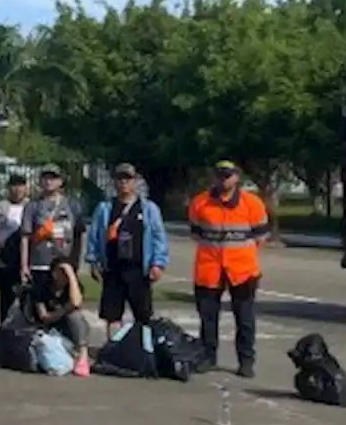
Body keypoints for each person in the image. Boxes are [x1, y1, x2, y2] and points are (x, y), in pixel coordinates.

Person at [189, 159, 270, 377]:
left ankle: (246, 361)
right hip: (209, 269)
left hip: (242, 271)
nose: (223, 179)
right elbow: (196, 233)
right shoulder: (200, 203)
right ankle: (208, 356)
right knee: (208, 318)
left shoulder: (252, 203)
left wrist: (238, 252)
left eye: (228, 175)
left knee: (244, 319)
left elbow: (261, 236)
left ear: (237, 177)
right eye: (220, 175)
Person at [86, 163, 170, 339]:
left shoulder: (148, 208)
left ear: (135, 181)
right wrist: (93, 260)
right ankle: (113, 348)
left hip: (139, 269)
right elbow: (94, 235)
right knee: (112, 314)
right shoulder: (104, 209)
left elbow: (159, 237)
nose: (124, 182)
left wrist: (158, 263)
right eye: (120, 178)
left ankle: (144, 348)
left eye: (128, 178)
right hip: (113, 268)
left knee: (143, 314)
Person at [18, 165, 85, 308]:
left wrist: (75, 262)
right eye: (45, 178)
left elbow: (79, 235)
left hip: (63, 264)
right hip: (39, 263)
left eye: (53, 178)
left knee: (65, 303)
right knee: (40, 304)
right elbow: (25, 236)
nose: (49, 181)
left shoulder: (72, 205)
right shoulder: (32, 206)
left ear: (60, 181)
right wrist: (24, 265)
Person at [32, 258, 91, 377]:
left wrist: (71, 276)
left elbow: (76, 302)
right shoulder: (42, 287)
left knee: (75, 316)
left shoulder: (74, 288)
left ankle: (83, 354)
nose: (64, 276)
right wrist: (63, 311)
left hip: (68, 327)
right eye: (61, 271)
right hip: (47, 327)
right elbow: (44, 316)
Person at [0, 173, 29, 320]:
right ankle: (5, 327)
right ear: (8, 188)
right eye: (14, 186)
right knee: (7, 296)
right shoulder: (0, 208)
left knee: (27, 295)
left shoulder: (32, 206)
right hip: (7, 255)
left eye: (21, 186)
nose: (17, 190)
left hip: (27, 255)